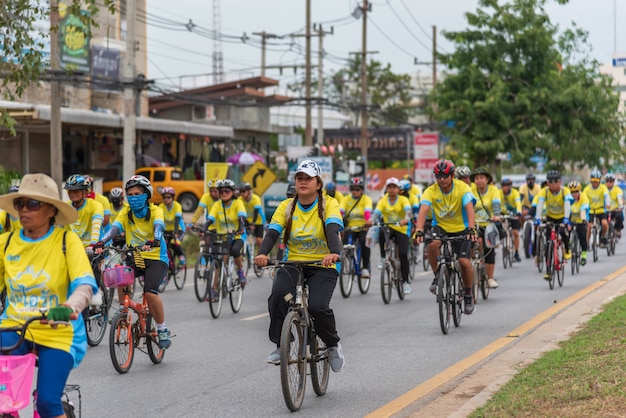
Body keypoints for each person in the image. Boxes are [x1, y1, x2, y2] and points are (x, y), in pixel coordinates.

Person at [0, 173, 97, 417]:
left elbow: (85, 284)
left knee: (47, 402)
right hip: (13, 328)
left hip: (58, 331)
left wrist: (69, 306)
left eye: (33, 204)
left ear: (52, 210)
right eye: (21, 203)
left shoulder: (66, 240)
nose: (24, 210)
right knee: (2, 399)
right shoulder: (6, 242)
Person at [254, 160, 345, 372]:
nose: (303, 182)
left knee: (317, 307)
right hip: (293, 261)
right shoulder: (286, 207)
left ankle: (332, 345)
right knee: (278, 296)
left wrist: (334, 254)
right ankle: (281, 344)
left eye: (308, 179)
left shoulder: (329, 204)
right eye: (299, 178)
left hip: (323, 263)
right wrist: (261, 254)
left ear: (318, 183)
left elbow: (332, 229)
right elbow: (273, 233)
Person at [95, 175, 172, 349]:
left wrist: (155, 240)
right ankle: (123, 312)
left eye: (137, 193)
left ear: (147, 194)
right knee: (120, 275)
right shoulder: (125, 212)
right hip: (135, 255)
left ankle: (162, 328)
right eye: (130, 194)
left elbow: (158, 227)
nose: (133, 197)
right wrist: (102, 242)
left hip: (156, 257)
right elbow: (115, 228)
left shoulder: (155, 210)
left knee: (150, 292)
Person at [414, 160, 477, 315]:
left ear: (452, 175)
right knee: (433, 245)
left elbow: (469, 208)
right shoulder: (431, 190)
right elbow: (423, 209)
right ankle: (438, 277)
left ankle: (468, 293)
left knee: (463, 261)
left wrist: (471, 228)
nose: (442, 179)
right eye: (438, 176)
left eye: (445, 176)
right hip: (441, 227)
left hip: (462, 228)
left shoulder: (463, 188)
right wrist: (419, 229)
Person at [204, 179, 248, 298]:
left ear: (233, 192)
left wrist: (241, 225)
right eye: (221, 191)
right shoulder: (217, 205)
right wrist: (204, 227)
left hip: (237, 236)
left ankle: (240, 272)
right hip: (222, 237)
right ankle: (214, 288)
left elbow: (242, 216)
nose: (223, 193)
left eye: (226, 191)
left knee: (234, 251)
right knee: (219, 260)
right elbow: (210, 218)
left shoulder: (238, 203)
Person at [373, 177, 413, 294]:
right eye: (389, 187)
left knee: (403, 254)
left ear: (398, 189)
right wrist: (371, 220)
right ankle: (383, 257)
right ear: (386, 189)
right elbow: (376, 213)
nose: (391, 190)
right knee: (381, 231)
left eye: (394, 187)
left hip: (402, 228)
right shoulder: (383, 200)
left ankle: (405, 282)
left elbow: (408, 211)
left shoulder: (403, 199)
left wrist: (406, 219)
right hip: (389, 227)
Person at [534, 170, 573, 279]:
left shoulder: (565, 191)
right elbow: (540, 204)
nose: (553, 184)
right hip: (550, 217)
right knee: (548, 244)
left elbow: (567, 205)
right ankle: (548, 271)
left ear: (560, 182)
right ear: (547, 183)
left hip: (563, 216)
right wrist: (537, 218)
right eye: (550, 182)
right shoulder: (544, 191)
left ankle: (567, 248)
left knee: (562, 232)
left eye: (555, 181)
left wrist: (566, 219)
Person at [470, 167, 502, 289]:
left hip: (489, 224)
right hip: (474, 224)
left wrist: (496, 216)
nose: (479, 180)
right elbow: (467, 206)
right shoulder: (470, 190)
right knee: (471, 242)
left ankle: (490, 278)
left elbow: (495, 205)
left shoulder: (493, 190)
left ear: (487, 179)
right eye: (477, 178)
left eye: (482, 178)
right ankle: (471, 265)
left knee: (489, 249)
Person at [340, 177, 373, 279]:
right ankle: (348, 263)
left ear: (362, 190)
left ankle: (365, 267)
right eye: (353, 189)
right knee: (345, 245)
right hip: (350, 227)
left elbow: (367, 212)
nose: (355, 191)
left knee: (365, 243)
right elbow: (340, 212)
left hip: (363, 227)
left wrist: (368, 221)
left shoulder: (366, 199)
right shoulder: (346, 199)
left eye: (357, 189)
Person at [64, 174, 104, 248]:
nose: (72, 193)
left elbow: (96, 226)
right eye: (70, 191)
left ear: (85, 192)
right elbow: (58, 228)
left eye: (76, 190)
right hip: (73, 248)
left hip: (94, 247)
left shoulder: (95, 205)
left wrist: (93, 244)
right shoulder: (65, 207)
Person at [158, 187, 186, 266]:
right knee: (164, 245)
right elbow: (158, 220)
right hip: (166, 230)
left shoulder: (177, 206)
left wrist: (176, 232)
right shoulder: (161, 206)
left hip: (179, 229)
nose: (166, 199)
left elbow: (177, 220)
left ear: (173, 197)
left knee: (174, 242)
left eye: (168, 197)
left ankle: (181, 255)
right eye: (164, 197)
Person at [583, 170, 610, 247]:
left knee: (605, 224)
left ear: (599, 181)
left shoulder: (603, 187)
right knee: (589, 226)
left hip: (601, 210)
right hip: (591, 210)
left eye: (596, 181)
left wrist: (607, 204)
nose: (595, 183)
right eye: (593, 181)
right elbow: (583, 198)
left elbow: (606, 196)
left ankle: (602, 235)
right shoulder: (587, 189)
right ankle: (587, 243)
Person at [500, 177, 522, 262]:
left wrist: (519, 212)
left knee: (515, 233)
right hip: (502, 213)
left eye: (507, 186)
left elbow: (518, 203)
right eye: (504, 186)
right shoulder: (499, 193)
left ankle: (516, 253)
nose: (505, 188)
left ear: (510, 186)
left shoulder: (515, 193)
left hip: (514, 214)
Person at [238, 182, 266, 250]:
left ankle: (260, 254)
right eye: (240, 191)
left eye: (243, 191)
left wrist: (253, 224)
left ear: (249, 192)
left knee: (259, 240)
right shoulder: (240, 199)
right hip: (247, 220)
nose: (242, 193)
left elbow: (256, 212)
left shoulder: (255, 198)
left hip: (258, 221)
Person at [568, 181, 589, 265]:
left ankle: (584, 256)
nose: (574, 194)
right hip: (571, 218)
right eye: (572, 192)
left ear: (579, 191)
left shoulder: (584, 198)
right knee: (565, 230)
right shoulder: (568, 198)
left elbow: (583, 210)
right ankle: (568, 244)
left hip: (581, 218)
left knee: (582, 236)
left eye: (576, 192)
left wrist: (583, 219)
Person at [604, 173, 624, 238]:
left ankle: (617, 229)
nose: (609, 183)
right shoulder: (603, 189)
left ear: (613, 181)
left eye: (611, 181)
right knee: (602, 220)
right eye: (607, 181)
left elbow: (619, 198)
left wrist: (620, 206)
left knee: (619, 216)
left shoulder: (617, 189)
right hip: (604, 210)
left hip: (615, 209)